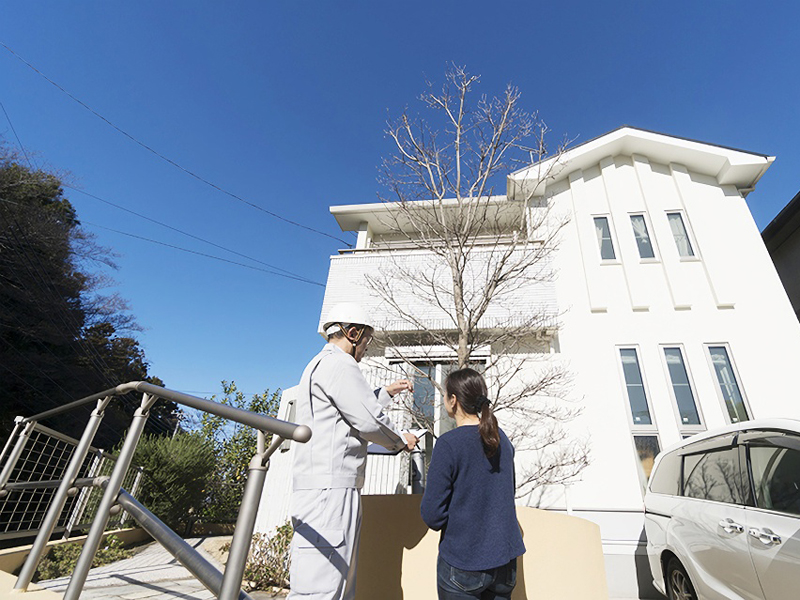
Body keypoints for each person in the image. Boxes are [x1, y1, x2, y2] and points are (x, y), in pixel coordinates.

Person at [288, 301, 418, 600]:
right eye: (367, 343)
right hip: (330, 491)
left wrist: (386, 393)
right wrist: (402, 439)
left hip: (322, 487)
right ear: (354, 332)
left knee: (331, 583)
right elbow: (368, 419)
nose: (366, 351)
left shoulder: (319, 364)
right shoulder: (340, 365)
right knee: (322, 589)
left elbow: (346, 412)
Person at [420, 368, 525, 600]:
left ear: (453, 400)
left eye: (446, 395)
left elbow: (432, 515)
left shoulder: (449, 444)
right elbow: (506, 492)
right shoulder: (501, 439)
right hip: (505, 562)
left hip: (464, 561)